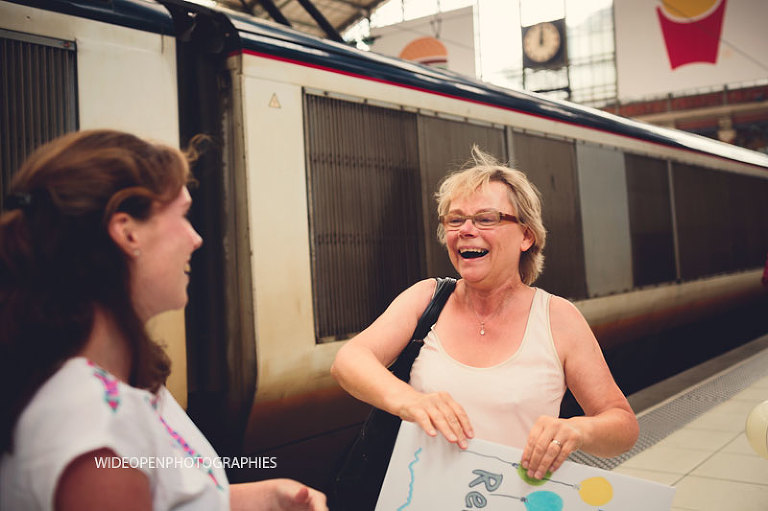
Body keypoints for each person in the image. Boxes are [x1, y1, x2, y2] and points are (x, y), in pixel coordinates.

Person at [0, 130, 327, 511]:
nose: (196, 238)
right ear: (128, 233)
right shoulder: (94, 427)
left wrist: (262, 499)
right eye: (183, 215)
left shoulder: (117, 387)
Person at [331, 147, 638, 482]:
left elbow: (623, 426)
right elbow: (348, 361)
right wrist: (408, 402)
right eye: (455, 219)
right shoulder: (427, 299)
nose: (466, 229)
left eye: (486, 219)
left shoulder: (557, 317)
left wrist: (578, 431)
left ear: (526, 235)